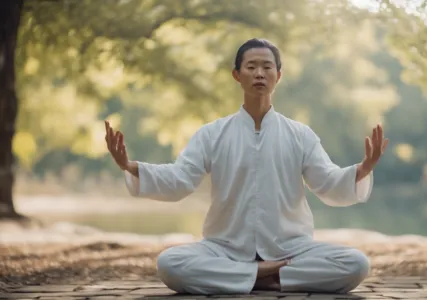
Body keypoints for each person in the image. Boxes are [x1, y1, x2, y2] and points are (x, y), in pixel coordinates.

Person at [104, 38, 388, 295]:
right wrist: (130, 166)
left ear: (279, 75)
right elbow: (180, 179)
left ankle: (249, 277)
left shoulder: (300, 135)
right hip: (224, 248)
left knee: (356, 264)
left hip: (291, 249)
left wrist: (362, 168)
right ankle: (267, 276)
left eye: (267, 67)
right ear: (237, 75)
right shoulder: (212, 134)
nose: (260, 74)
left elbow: (327, 182)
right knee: (170, 263)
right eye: (251, 67)